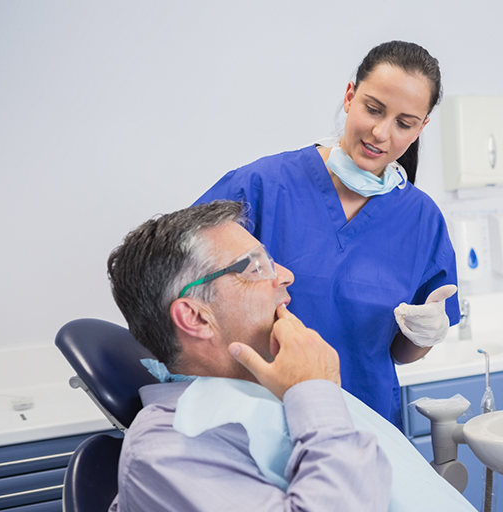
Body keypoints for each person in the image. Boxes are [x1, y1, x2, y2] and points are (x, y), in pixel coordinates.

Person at [194, 41, 460, 429]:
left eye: (404, 123)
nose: (381, 133)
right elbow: (181, 278)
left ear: (421, 128)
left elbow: (400, 354)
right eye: (373, 108)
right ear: (350, 96)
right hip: (257, 418)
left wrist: (424, 334)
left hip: (363, 424)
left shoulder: (422, 221)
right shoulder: (263, 186)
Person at [106, 200, 392, 512]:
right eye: (254, 268)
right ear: (196, 318)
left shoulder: (277, 392)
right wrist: (315, 392)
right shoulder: (165, 448)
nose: (286, 275)